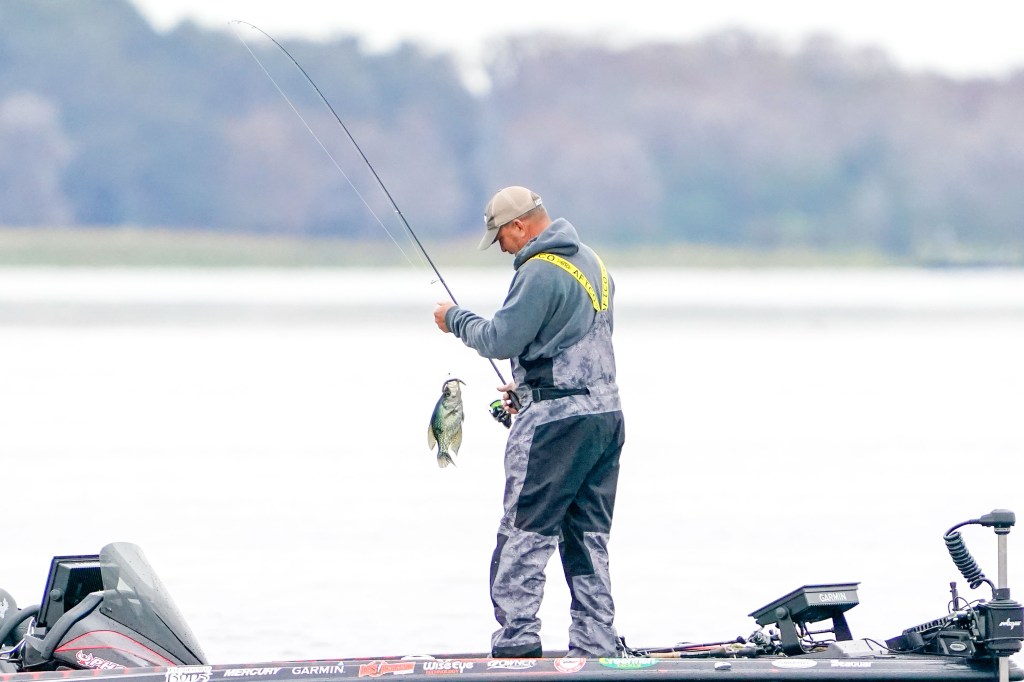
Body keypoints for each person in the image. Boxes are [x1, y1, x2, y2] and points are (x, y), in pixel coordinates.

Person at [433, 186, 626, 658]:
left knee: (524, 532)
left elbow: (499, 339)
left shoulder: (538, 271)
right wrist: (529, 389)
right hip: (605, 419)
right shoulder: (592, 263)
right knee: (587, 535)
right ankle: (595, 642)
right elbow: (570, 342)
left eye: (500, 236)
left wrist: (454, 318)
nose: (501, 247)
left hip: (555, 428)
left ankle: (517, 643)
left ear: (519, 225)